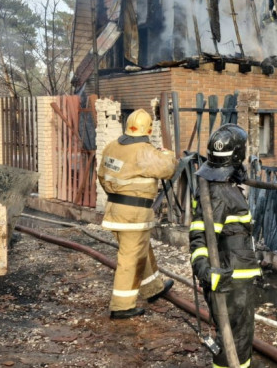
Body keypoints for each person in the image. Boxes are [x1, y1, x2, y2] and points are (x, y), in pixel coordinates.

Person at [189, 124, 261, 368]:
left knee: (238, 335)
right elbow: (199, 236)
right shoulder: (219, 191)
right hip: (231, 278)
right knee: (235, 338)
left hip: (234, 275)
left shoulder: (222, 185)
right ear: (238, 155)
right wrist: (204, 270)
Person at [97, 109, 177, 319]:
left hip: (115, 211)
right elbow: (167, 169)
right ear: (148, 129)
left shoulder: (112, 146)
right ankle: (121, 306)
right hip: (134, 215)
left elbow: (102, 176)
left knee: (141, 249)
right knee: (131, 258)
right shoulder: (143, 150)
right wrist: (168, 154)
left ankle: (153, 288)